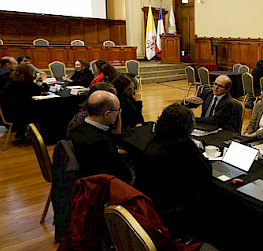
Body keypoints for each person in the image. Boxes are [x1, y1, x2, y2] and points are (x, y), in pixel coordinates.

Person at [134, 103, 211, 238]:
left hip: (148, 206)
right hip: (170, 212)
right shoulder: (183, 144)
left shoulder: (155, 141)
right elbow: (205, 172)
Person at [69, 90, 132, 183]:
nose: (118, 114)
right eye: (118, 111)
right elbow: (124, 175)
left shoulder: (75, 129)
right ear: (107, 114)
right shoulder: (102, 143)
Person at [2, 64, 47, 141]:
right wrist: (44, 81)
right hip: (19, 115)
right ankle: (42, 135)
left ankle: (21, 132)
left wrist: (36, 81)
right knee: (46, 110)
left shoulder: (12, 80)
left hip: (9, 112)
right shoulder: (26, 83)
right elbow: (42, 90)